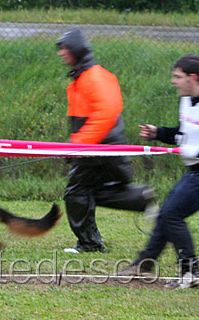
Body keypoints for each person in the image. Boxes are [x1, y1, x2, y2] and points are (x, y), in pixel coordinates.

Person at [119, 54, 199, 289]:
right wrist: (158, 133)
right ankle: (144, 264)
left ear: (193, 78)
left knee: (172, 214)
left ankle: (191, 271)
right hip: (195, 172)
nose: (173, 81)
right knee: (167, 213)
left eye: (177, 77)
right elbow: (184, 134)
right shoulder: (188, 100)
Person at [56, 26, 155, 253]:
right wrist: (74, 144)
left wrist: (77, 145)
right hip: (96, 148)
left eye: (64, 49)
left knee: (76, 193)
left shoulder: (94, 77)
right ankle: (141, 197)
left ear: (76, 50)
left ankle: (90, 243)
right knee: (86, 192)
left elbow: (106, 115)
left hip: (100, 148)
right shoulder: (82, 78)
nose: (61, 54)